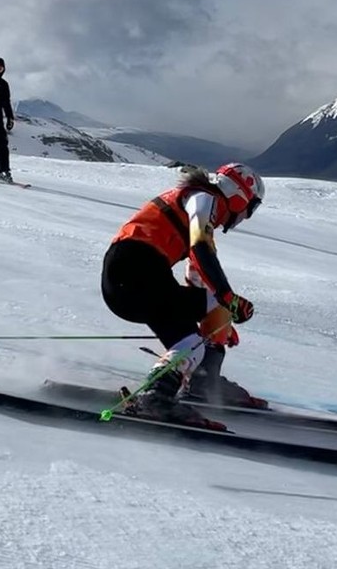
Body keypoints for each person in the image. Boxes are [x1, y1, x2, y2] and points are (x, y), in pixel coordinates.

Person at [101, 163, 266, 427]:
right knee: (214, 309)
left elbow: (198, 276)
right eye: (252, 206)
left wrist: (218, 321)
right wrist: (227, 299)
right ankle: (162, 396)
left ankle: (196, 381)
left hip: (128, 276)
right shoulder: (204, 199)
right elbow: (200, 247)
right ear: (239, 195)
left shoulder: (195, 202)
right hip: (135, 270)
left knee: (191, 340)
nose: (247, 215)